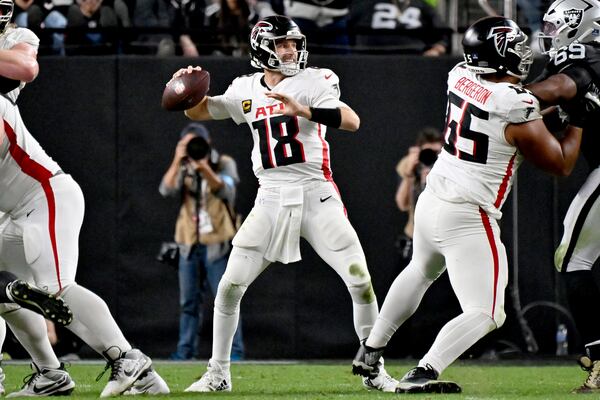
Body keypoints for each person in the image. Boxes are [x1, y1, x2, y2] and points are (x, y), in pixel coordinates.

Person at [352, 15, 583, 393]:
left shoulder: (459, 74)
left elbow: (514, 109)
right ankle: (425, 370)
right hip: (469, 213)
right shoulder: (513, 102)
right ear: (497, 56)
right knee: (489, 312)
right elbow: (561, 162)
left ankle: (371, 348)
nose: (523, 53)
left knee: (419, 271)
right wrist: (579, 119)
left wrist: (554, 106)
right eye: (514, 47)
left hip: (434, 200)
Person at [170, 14, 397, 393]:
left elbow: (351, 120)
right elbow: (201, 110)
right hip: (270, 195)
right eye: (281, 44)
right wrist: (184, 88)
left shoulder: (316, 79)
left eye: (293, 42)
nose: (290, 49)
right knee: (229, 287)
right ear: (262, 48)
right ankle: (218, 373)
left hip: (316, 193)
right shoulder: (245, 88)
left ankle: (375, 371)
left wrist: (304, 110)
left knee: (360, 281)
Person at [0, 2, 169, 396]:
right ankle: (50, 374)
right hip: (14, 207)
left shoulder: (16, 48)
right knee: (4, 294)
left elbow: (25, 67)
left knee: (54, 288)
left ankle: (130, 363)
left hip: (44, 195)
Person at [525, 0, 600, 392]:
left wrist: (502, 96)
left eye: (555, 27)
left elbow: (560, 87)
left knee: (573, 257)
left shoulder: (582, 60)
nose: (550, 35)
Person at [159, 122, 245, 361]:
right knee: (188, 303)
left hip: (217, 243)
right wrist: (178, 159)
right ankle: (185, 352)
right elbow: (165, 190)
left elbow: (226, 191)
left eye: (198, 143)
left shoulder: (222, 163)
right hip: (188, 243)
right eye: (188, 144)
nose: (194, 148)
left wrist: (204, 167)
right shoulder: (182, 167)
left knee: (227, 299)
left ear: (208, 143)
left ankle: (234, 353)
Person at [394, 127, 442, 265]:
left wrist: (433, 182)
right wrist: (409, 174)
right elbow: (402, 204)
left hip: (441, 235)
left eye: (436, 152)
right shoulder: (410, 164)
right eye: (428, 152)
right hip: (415, 236)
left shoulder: (446, 166)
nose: (431, 157)